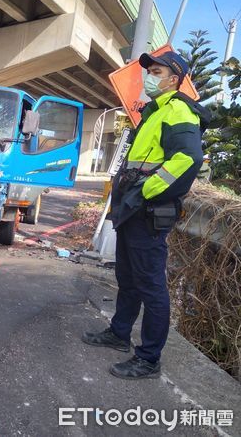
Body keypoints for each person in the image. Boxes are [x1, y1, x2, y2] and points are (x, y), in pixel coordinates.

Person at [82, 51, 211, 379]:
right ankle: (119, 333)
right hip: (133, 210)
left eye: (156, 71)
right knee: (128, 277)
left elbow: (187, 158)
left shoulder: (178, 109)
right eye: (147, 71)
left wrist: (145, 191)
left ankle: (149, 358)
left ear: (173, 79)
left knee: (151, 286)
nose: (148, 77)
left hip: (149, 211)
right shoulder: (156, 111)